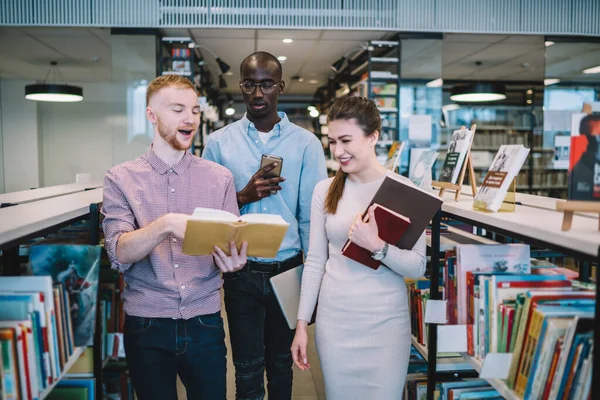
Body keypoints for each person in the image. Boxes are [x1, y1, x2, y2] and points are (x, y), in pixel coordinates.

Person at [102, 74, 247, 400]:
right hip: (146, 324)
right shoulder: (120, 178)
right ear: (152, 115)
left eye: (195, 110)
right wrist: (165, 224)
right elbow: (119, 252)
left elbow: (227, 249)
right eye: (178, 109)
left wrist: (234, 262)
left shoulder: (219, 178)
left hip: (205, 320)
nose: (190, 119)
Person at [203, 51, 327, 399]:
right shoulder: (218, 143)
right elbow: (208, 213)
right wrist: (242, 196)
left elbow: (310, 217)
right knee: (246, 366)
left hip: (289, 269)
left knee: (281, 362)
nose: (258, 94)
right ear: (240, 87)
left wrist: (314, 278)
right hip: (240, 268)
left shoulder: (307, 144)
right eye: (249, 84)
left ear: (280, 87)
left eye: (267, 84)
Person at [291, 96, 427, 399]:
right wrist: (301, 325)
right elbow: (315, 261)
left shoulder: (405, 192)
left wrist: (378, 246)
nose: (338, 151)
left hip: (386, 324)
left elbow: (418, 267)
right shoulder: (324, 191)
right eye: (332, 141)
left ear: (373, 137)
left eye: (346, 140)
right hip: (334, 322)